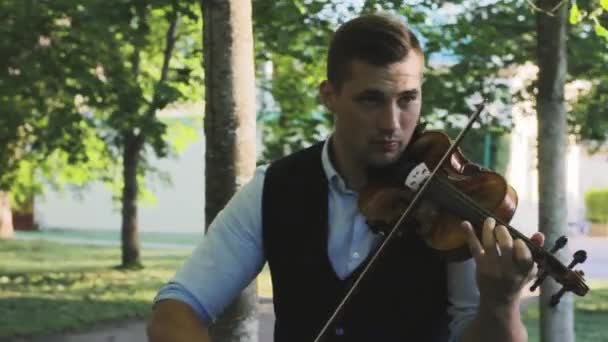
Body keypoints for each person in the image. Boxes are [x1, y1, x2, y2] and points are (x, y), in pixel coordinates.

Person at [147, 12, 544, 342]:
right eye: (371, 99)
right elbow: (176, 308)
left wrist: (500, 302)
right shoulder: (275, 188)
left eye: (407, 100)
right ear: (329, 95)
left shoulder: (450, 207)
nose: (392, 124)